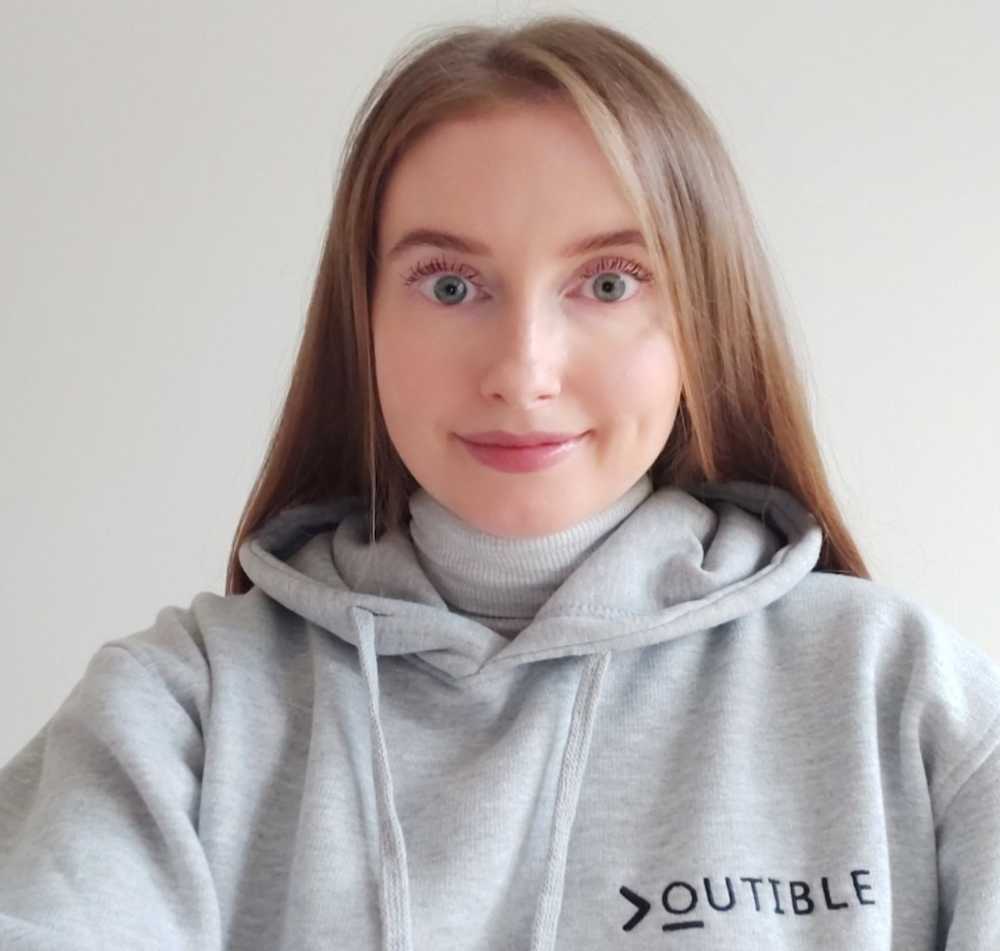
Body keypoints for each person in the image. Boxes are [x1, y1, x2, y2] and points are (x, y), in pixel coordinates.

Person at [1, 13, 997, 951]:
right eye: (450, 285)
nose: (523, 372)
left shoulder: (903, 695)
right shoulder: (177, 713)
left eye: (607, 283)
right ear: (362, 323)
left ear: (703, 319)